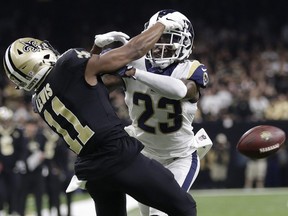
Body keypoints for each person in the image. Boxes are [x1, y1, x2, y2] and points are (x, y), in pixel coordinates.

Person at [2, 11, 197, 216]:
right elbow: (133, 50)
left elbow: (87, 87)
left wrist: (96, 49)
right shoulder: (68, 64)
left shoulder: (37, 102)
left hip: (91, 171)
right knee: (183, 206)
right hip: (119, 157)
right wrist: (162, 25)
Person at [97, 9, 211, 216]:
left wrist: (135, 73)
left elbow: (182, 91)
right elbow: (94, 87)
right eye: (158, 38)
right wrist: (98, 55)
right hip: (143, 156)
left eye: (168, 39)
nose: (161, 46)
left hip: (180, 157)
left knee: (160, 214)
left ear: (185, 43)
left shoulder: (191, 69)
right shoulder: (135, 62)